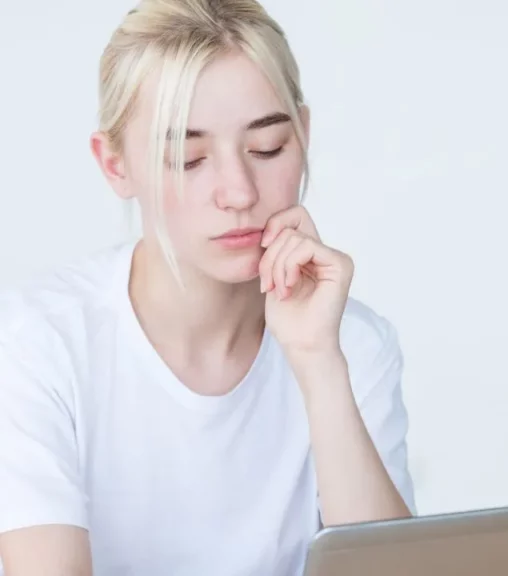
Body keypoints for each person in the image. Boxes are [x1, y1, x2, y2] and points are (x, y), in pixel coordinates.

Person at [0, 0, 416, 574]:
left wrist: (319, 361)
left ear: (304, 134)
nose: (240, 191)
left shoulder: (353, 344)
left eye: (267, 148)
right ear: (116, 165)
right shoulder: (37, 343)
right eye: (189, 158)